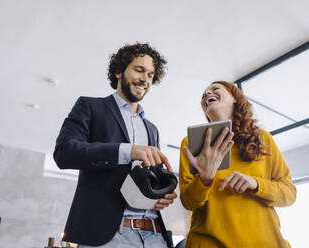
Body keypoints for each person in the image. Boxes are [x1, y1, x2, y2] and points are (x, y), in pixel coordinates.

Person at [54, 43, 177, 248]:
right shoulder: (90, 107)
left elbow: (151, 176)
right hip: (109, 237)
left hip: (155, 236)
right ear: (119, 71)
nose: (145, 79)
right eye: (139, 70)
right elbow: (64, 152)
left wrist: (163, 194)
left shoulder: (152, 129)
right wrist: (128, 151)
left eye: (150, 75)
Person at [179, 81, 297, 247]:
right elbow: (188, 202)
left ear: (235, 98)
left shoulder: (262, 139)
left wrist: (256, 184)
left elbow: (289, 194)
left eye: (215, 89)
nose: (207, 94)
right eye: (204, 94)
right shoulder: (190, 144)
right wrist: (204, 180)